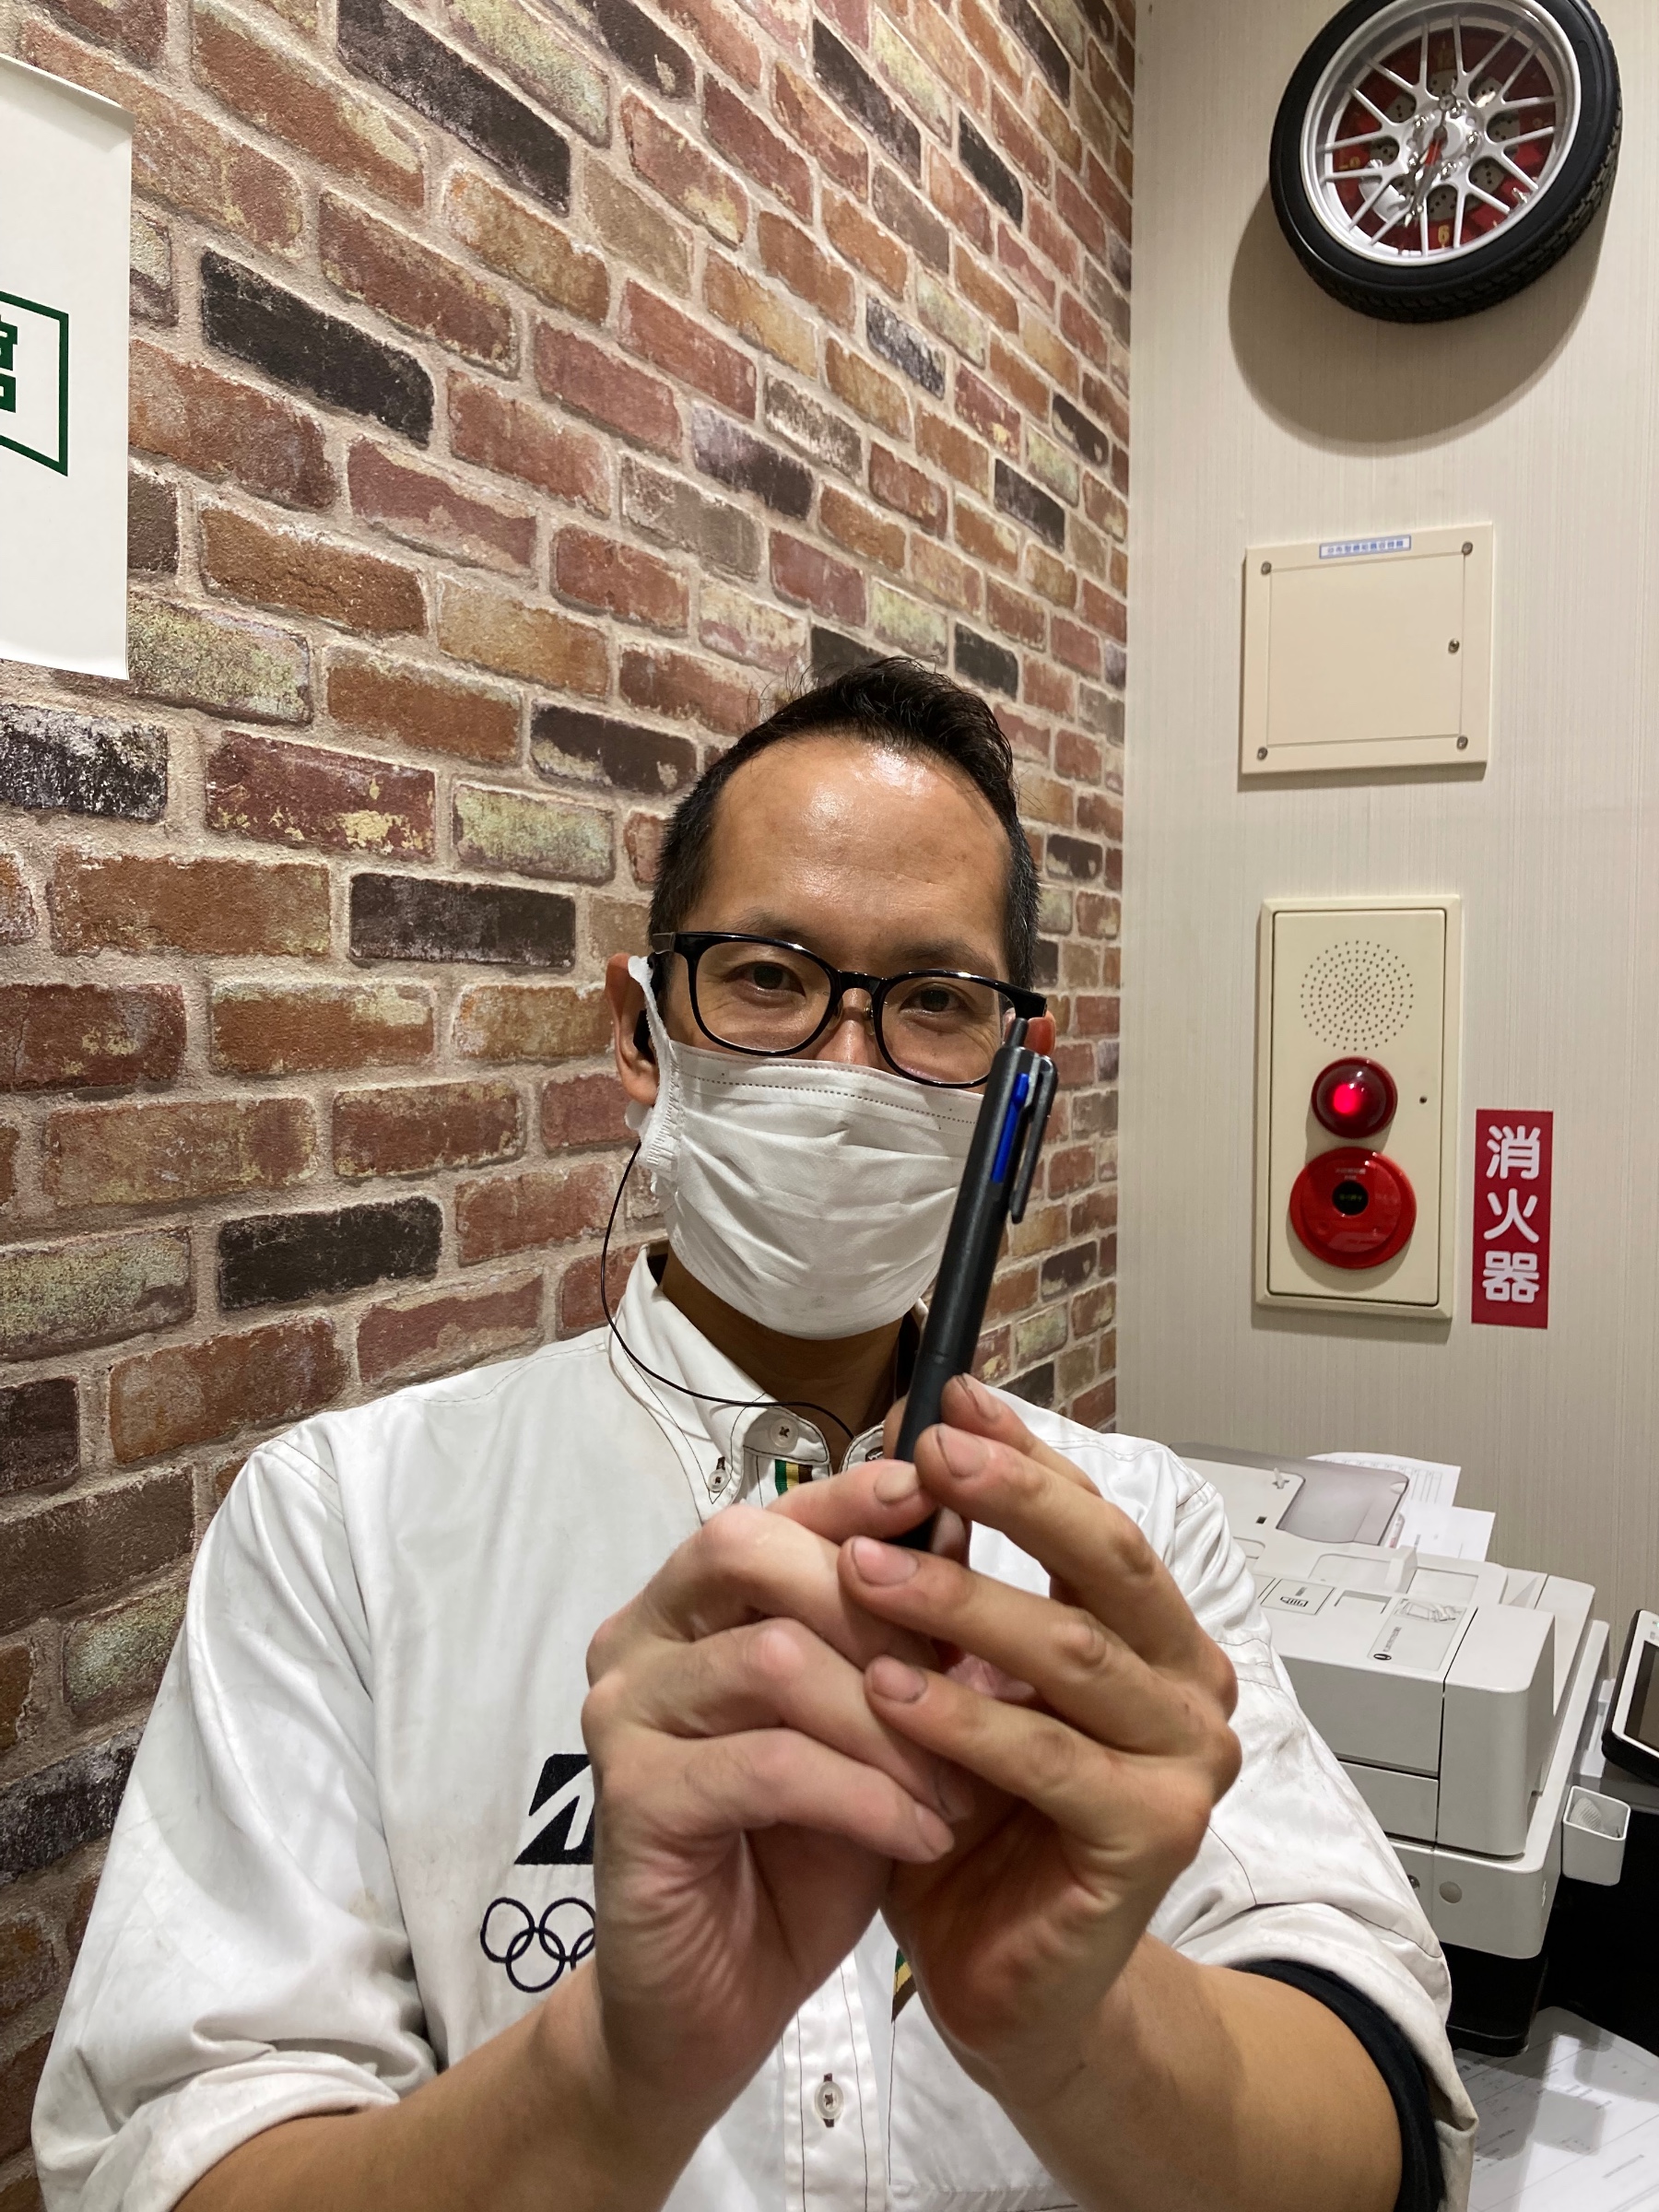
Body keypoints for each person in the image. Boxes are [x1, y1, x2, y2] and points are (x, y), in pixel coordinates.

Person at [34, 659, 1476, 2212]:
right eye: (772, 978)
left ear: (1020, 1084)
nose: (847, 1070)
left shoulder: (1136, 1533)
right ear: (643, 1030)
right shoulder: (347, 1523)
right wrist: (610, 2077)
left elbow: (1378, 2112)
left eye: (935, 1002)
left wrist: (1082, 2030)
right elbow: (177, 2157)